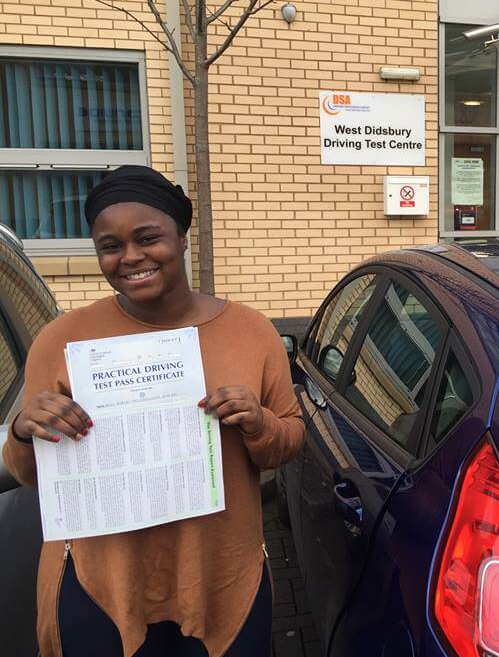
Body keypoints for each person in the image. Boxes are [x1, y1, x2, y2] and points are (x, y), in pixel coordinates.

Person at [2, 165, 305, 657]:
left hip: (221, 577)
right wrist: (21, 430)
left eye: (148, 238)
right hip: (100, 582)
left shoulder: (251, 331)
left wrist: (259, 422)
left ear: (182, 237)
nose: (131, 258)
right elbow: (29, 473)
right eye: (110, 246)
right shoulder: (61, 340)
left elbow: (289, 441)